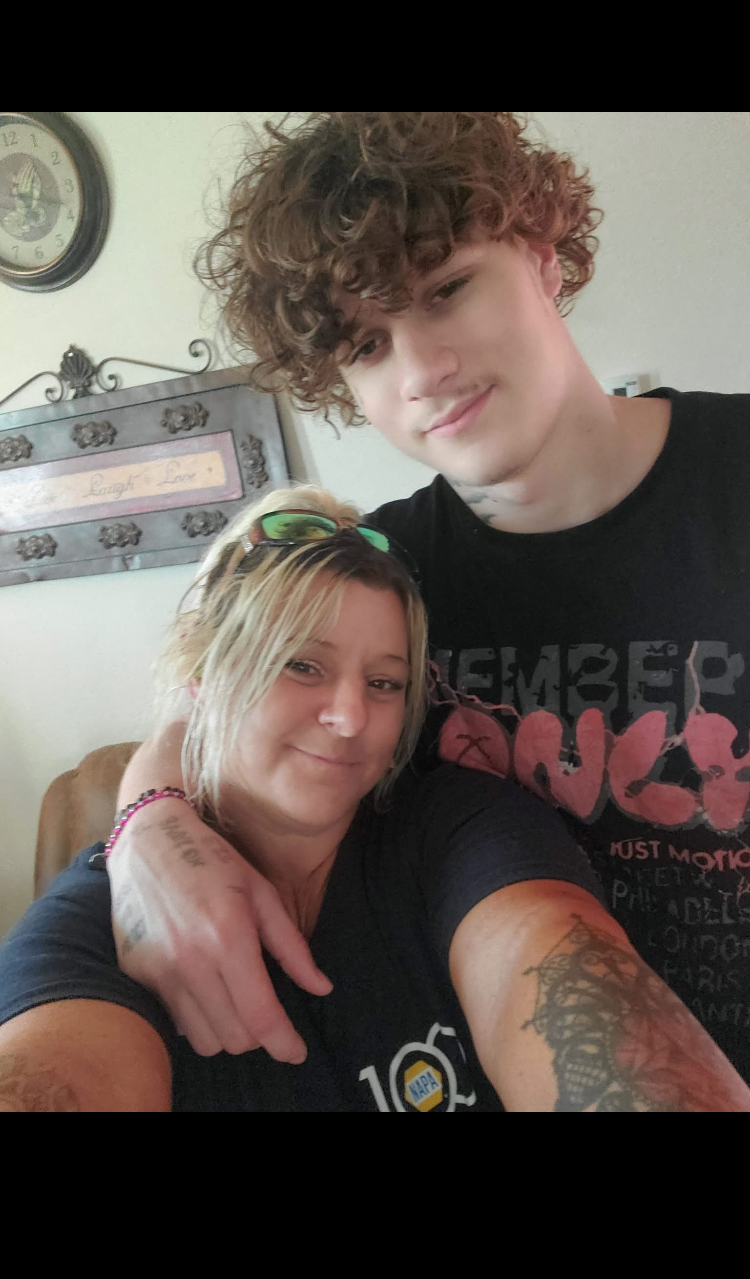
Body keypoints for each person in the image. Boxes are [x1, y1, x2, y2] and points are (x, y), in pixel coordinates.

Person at [107, 112, 750, 1082]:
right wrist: (147, 825)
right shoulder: (381, 579)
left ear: (542, 257)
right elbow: (206, 701)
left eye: (446, 289)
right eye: (367, 344)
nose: (422, 372)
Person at [7, 488, 748, 1112]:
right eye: (302, 665)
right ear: (204, 677)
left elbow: (561, 970)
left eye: (384, 682)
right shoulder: (103, 916)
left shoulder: (462, 831)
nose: (351, 716)